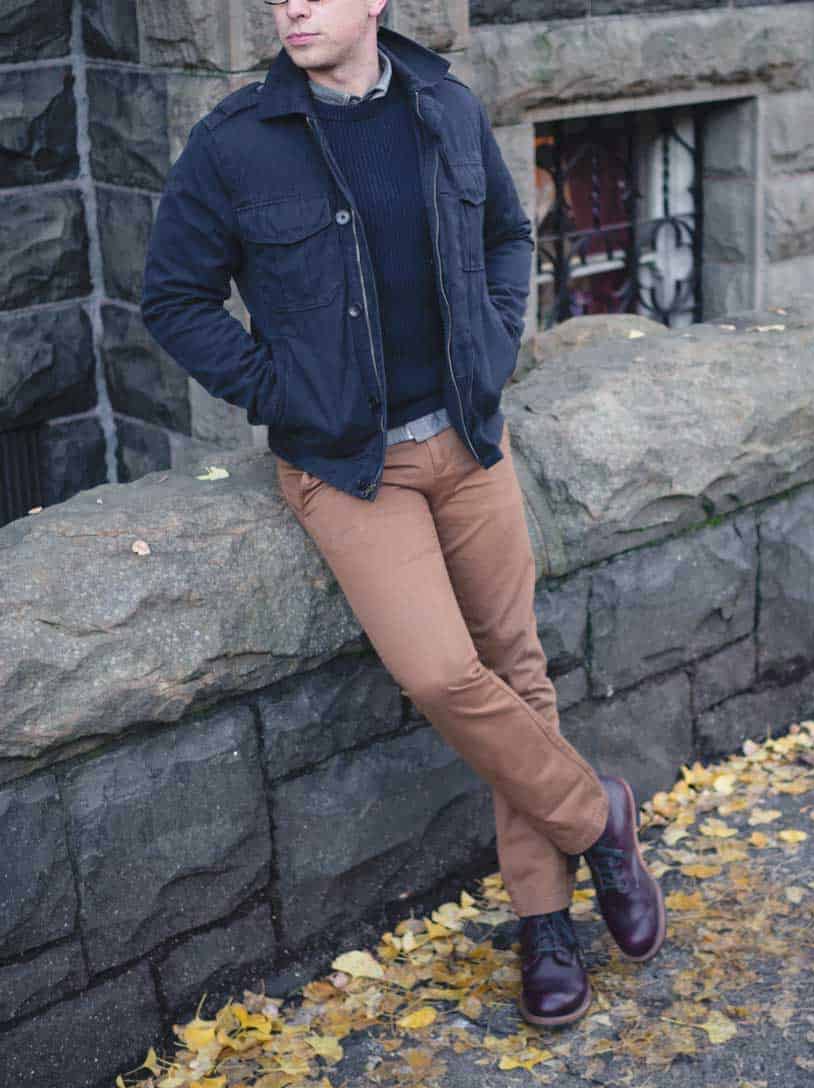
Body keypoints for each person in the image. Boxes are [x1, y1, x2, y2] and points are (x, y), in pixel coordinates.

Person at [141, 0, 665, 1027]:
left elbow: (509, 236)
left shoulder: (443, 105)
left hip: (468, 436)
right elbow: (174, 300)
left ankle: (543, 922)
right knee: (439, 668)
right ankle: (596, 819)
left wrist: (492, 342)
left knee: (517, 665)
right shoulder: (237, 142)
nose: (290, 6)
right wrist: (285, 394)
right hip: (348, 460)